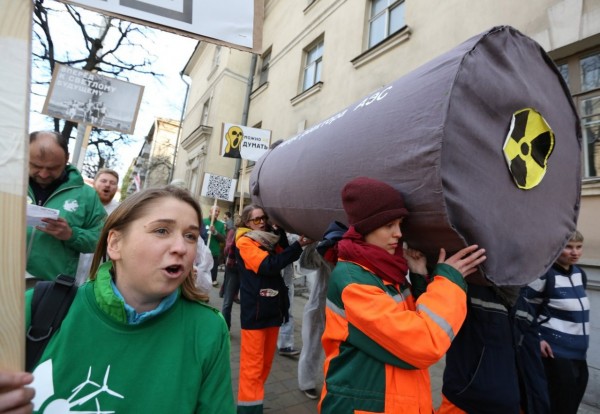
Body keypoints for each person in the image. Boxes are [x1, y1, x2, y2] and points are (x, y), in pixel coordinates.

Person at [1, 185, 235, 413]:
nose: (181, 247)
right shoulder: (40, 305)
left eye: (191, 236)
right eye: (162, 230)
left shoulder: (208, 330)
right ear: (115, 243)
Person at [318, 177, 486, 414]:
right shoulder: (354, 282)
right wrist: (449, 281)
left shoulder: (382, 269)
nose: (398, 234)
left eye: (400, 224)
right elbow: (423, 343)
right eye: (389, 225)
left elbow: (407, 318)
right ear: (366, 227)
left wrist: (418, 278)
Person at [235, 205, 312, 413]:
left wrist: (281, 233)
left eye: (264, 218)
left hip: (271, 310)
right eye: (256, 220)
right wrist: (296, 247)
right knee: (252, 369)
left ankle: (256, 402)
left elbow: (284, 253)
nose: (262, 222)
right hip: (256, 313)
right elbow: (269, 265)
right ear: (246, 223)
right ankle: (248, 409)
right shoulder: (245, 241)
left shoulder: (267, 238)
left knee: (265, 366)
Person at [438, 284, 551, 414]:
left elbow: (532, 368)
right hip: (464, 403)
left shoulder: (525, 309)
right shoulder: (467, 291)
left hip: (509, 404)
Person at [26, 130, 106, 288]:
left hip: (49, 288)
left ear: (66, 159)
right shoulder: (8, 184)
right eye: (36, 166)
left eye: (52, 168)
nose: (43, 174)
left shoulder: (86, 196)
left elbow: (102, 240)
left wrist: (71, 234)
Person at [523, 230, 590, 414]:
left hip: (579, 354)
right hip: (555, 354)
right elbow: (525, 309)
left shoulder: (580, 274)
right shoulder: (544, 276)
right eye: (568, 247)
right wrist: (537, 338)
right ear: (556, 248)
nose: (575, 252)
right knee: (558, 406)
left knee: (572, 404)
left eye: (579, 247)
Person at [297, 221, 347, 400]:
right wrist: (312, 244)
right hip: (321, 301)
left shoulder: (353, 250)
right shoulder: (324, 249)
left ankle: (335, 384)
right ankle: (307, 382)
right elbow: (306, 265)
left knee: (340, 348)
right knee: (312, 341)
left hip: (344, 306)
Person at [75, 168, 121, 284]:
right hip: (74, 261)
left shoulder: (120, 212)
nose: (108, 185)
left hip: (101, 265)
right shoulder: (79, 204)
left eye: (112, 183)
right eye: (103, 181)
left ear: (116, 188)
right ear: (94, 183)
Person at [277, 232, 301, 357]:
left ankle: (284, 344)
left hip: (286, 280)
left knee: (287, 312)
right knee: (283, 312)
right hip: (276, 280)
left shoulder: (289, 232)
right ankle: (282, 344)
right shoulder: (274, 232)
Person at [221, 217, 240, 329]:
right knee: (228, 302)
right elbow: (227, 249)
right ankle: (225, 327)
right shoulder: (233, 232)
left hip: (246, 270)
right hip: (233, 269)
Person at [204, 205, 226, 286]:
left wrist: (215, 232)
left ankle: (213, 279)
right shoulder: (203, 221)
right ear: (210, 211)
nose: (217, 213)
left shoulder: (220, 224)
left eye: (218, 211)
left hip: (214, 252)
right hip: (203, 251)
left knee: (213, 270)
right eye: (215, 211)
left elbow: (223, 239)